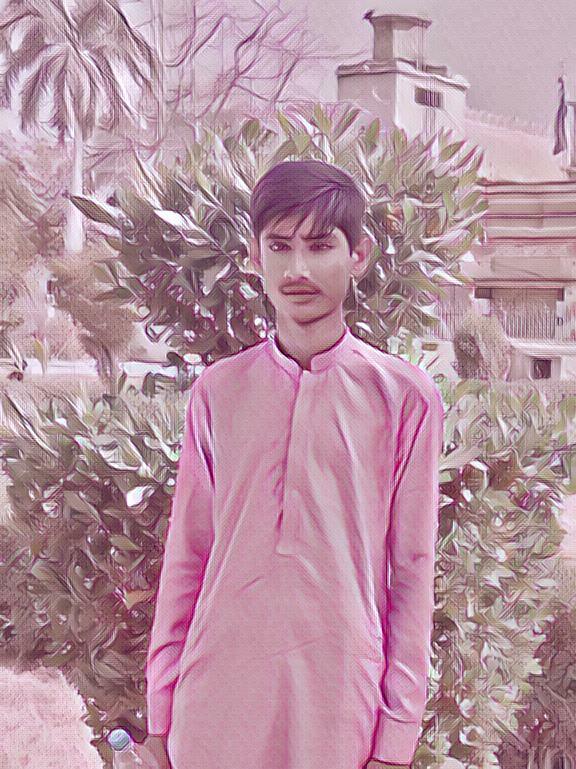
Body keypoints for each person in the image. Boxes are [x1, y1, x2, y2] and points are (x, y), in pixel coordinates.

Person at [140, 159, 444, 769]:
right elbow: (187, 555)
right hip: (214, 703)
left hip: (339, 707)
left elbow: (412, 571)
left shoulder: (404, 398)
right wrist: (161, 714)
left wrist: (397, 736)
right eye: (280, 246)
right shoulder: (218, 393)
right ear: (255, 257)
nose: (298, 268)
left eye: (320, 245)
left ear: (358, 256)